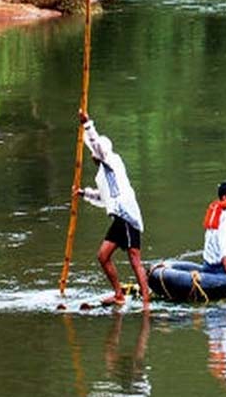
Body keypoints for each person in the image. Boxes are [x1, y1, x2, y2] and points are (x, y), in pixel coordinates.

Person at [77, 109, 150, 307]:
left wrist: (87, 124)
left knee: (134, 259)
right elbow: (103, 198)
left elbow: (98, 147)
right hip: (118, 217)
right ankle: (119, 294)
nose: (93, 156)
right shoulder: (102, 174)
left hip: (126, 216)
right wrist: (85, 194)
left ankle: (146, 300)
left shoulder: (111, 162)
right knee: (103, 256)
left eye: (94, 153)